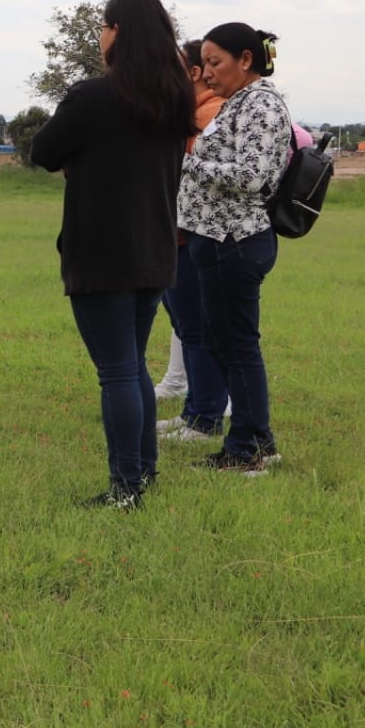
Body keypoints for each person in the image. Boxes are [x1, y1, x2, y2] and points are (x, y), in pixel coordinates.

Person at [30, 0, 196, 509]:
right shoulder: (175, 98)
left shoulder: (92, 97)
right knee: (133, 366)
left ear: (118, 33)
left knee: (118, 371)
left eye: (103, 26)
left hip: (101, 251)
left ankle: (126, 488)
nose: (99, 35)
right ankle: (141, 476)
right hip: (154, 250)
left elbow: (43, 150)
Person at [177, 22, 291, 474]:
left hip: (236, 241)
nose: (206, 72)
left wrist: (187, 160)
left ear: (246, 60)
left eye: (215, 61)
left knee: (238, 346)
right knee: (229, 343)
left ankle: (246, 450)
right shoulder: (240, 103)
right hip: (220, 240)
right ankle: (256, 439)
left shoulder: (261, 104)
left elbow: (252, 176)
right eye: (204, 63)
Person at [156, 40, 230, 440]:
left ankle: (205, 418)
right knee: (187, 327)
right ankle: (195, 412)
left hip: (195, 238)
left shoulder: (211, 114)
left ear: (196, 73)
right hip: (176, 237)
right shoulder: (189, 115)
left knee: (199, 330)